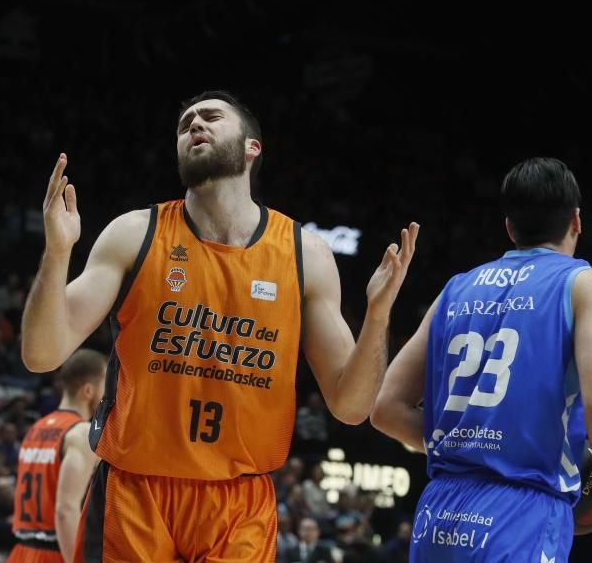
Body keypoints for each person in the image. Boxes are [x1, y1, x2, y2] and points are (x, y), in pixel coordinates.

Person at [21, 90, 419, 562]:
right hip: (136, 491)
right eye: (185, 123)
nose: (195, 126)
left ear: (252, 148)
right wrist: (58, 252)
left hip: (238, 501)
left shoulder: (304, 253)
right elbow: (41, 354)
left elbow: (351, 406)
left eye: (211, 118)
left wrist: (377, 316)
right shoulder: (134, 233)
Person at [370, 157, 592, 562]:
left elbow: (386, 409)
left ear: (509, 227)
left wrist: (465, 448)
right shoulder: (587, 285)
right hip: (521, 512)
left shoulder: (455, 290)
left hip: (439, 513)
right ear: (576, 221)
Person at [7, 348, 106, 563]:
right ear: (88, 390)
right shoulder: (80, 433)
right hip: (57, 551)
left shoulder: (35, 429)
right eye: (105, 385)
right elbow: (65, 510)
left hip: (21, 551)